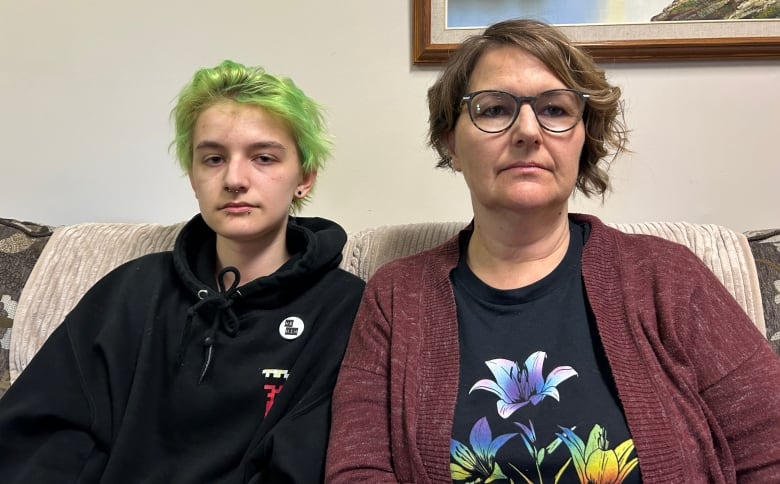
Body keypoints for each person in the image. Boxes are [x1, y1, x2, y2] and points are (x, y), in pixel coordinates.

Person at [325, 19, 780, 483]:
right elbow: (357, 470)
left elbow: (771, 452)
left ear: (584, 140)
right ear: (451, 142)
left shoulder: (668, 276)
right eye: (495, 109)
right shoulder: (397, 295)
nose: (528, 131)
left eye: (556, 109)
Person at [0, 60, 365, 483]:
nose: (234, 179)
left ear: (303, 177)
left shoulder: (346, 310)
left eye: (263, 157)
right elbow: (39, 433)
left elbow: (305, 462)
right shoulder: (130, 290)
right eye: (213, 158)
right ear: (192, 176)